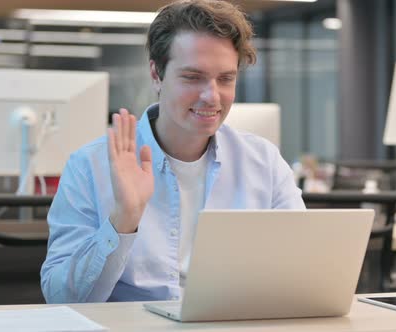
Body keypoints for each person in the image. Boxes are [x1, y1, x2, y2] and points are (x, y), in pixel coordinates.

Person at [40, 0, 305, 304]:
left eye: (226, 79)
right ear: (156, 75)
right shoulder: (89, 166)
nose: (211, 96)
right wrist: (122, 220)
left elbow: (300, 270)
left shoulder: (264, 162)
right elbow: (60, 299)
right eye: (192, 77)